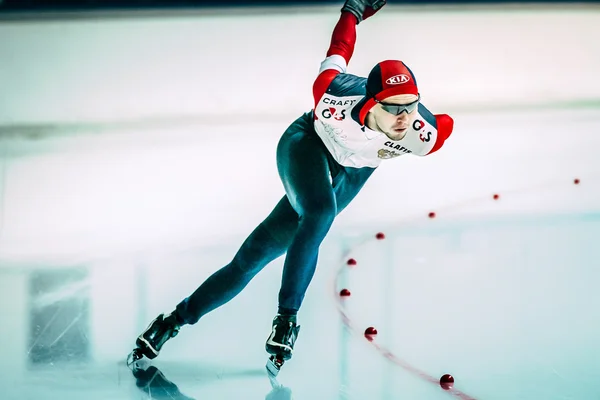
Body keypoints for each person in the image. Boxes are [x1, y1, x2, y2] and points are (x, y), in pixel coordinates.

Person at [129, 0, 453, 371]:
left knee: (250, 258)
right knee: (318, 213)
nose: (403, 118)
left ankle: (171, 322)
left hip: (352, 172)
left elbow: (445, 126)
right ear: (370, 100)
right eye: (393, 108)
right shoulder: (333, 94)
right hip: (307, 144)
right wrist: (353, 11)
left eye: (410, 106)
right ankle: (286, 319)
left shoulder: (422, 133)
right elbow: (340, 49)